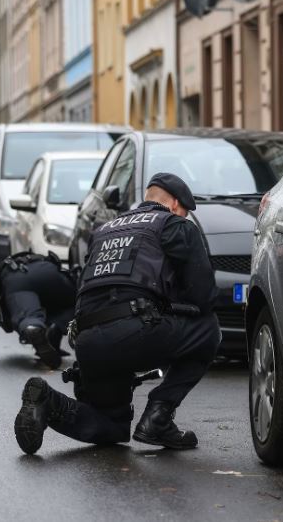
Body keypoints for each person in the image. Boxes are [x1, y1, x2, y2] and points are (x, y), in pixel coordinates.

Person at [13, 173, 220, 454]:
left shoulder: (104, 230)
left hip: (88, 342)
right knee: (208, 329)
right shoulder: (174, 226)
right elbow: (204, 296)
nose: (185, 217)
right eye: (185, 211)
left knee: (111, 426)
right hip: (136, 331)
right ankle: (158, 417)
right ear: (173, 204)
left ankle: (48, 402)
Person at [0, 251, 76, 369]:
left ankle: (33, 327)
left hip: (19, 277)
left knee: (29, 317)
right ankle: (55, 337)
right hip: (52, 271)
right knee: (73, 302)